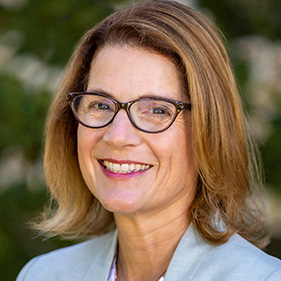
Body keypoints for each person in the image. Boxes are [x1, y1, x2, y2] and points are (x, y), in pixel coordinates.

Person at [17, 0, 281, 280]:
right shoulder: (43, 274)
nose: (117, 136)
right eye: (101, 105)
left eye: (157, 110)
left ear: (208, 129)